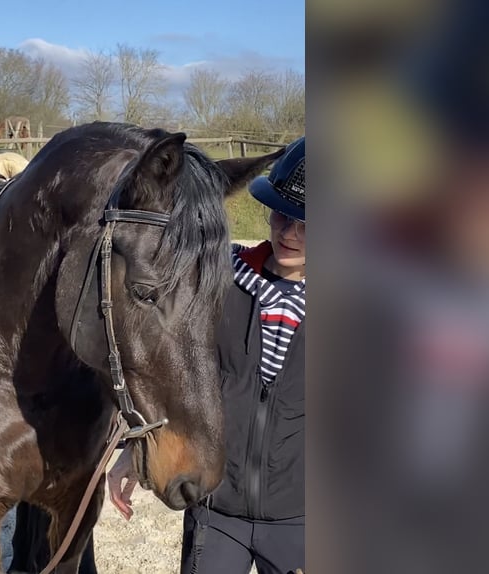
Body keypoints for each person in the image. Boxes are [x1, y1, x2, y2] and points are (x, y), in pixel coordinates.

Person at [108, 137, 306, 574]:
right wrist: (132, 447)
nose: (288, 233)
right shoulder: (220, 279)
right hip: (217, 511)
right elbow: (171, 368)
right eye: (281, 214)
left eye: (307, 223)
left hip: (302, 518)